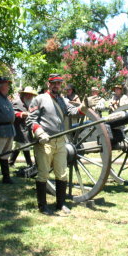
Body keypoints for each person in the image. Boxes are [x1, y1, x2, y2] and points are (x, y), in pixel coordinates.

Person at [27, 73, 98, 215]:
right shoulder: (39, 99)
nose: (56, 85)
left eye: (59, 83)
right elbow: (31, 120)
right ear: (48, 84)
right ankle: (43, 206)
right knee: (43, 174)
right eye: (53, 83)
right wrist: (40, 133)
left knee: (62, 174)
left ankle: (61, 204)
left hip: (61, 142)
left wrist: (84, 106)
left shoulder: (62, 100)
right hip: (45, 141)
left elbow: (72, 112)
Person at [9, 86, 37, 176]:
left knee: (19, 145)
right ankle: (29, 163)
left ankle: (11, 162)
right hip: (19, 126)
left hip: (27, 127)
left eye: (30, 95)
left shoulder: (31, 103)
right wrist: (21, 114)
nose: (29, 96)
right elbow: (11, 113)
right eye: (27, 94)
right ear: (24, 94)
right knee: (25, 144)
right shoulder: (17, 102)